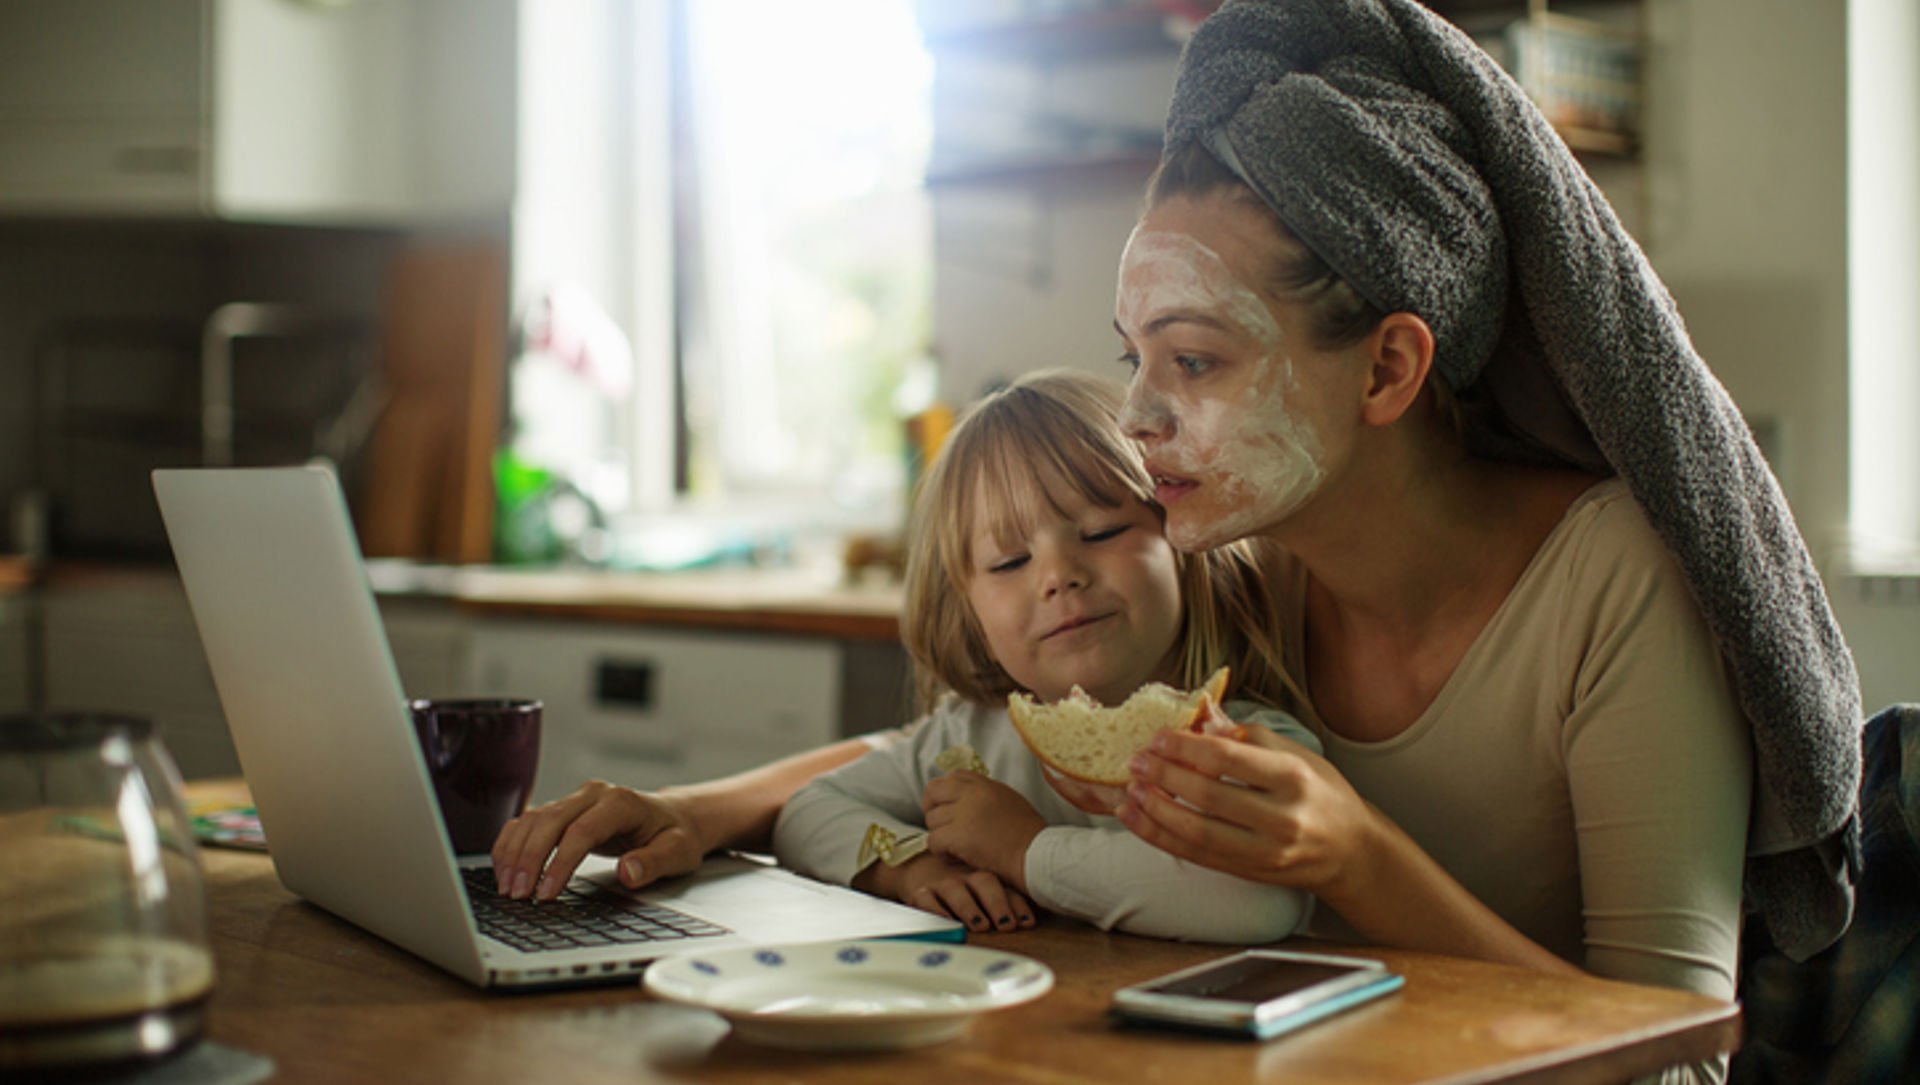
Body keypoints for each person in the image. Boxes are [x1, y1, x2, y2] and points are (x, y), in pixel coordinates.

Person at [772, 369, 1315, 941]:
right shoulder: (969, 741)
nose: (1059, 576)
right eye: (1009, 562)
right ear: (969, 613)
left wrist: (1024, 851)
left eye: (1103, 532)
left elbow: (1254, 901)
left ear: (1183, 546)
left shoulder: (1242, 746)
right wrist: (907, 866)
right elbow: (809, 811)